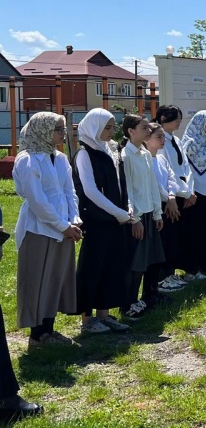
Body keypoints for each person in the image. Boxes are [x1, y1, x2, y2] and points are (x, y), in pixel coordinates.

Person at [13, 112, 81, 346]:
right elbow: (37, 200)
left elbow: (69, 191)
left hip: (64, 227)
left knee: (55, 278)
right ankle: (37, 334)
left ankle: (49, 329)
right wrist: (63, 226)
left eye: (63, 129)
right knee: (36, 280)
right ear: (43, 131)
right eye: (58, 129)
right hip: (38, 229)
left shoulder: (60, 158)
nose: (63, 134)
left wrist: (74, 220)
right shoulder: (28, 160)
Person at [73, 109, 132, 334]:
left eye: (112, 126)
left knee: (111, 265)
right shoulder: (85, 153)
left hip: (115, 217)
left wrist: (126, 207)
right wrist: (117, 212)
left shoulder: (110, 149)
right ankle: (87, 319)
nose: (111, 131)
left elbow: (119, 182)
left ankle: (104, 314)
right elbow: (90, 190)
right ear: (93, 127)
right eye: (107, 127)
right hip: (96, 219)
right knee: (93, 266)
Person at [119, 115, 166, 317]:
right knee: (135, 263)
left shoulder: (145, 154)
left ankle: (144, 297)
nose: (148, 131)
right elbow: (128, 190)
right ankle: (127, 303)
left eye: (148, 127)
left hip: (148, 212)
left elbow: (152, 185)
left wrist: (157, 213)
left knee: (150, 260)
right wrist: (135, 219)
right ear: (131, 131)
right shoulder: (126, 156)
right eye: (144, 127)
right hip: (137, 216)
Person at [154, 105, 198, 288]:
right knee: (169, 237)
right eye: (175, 118)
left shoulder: (176, 140)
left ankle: (175, 271)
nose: (179, 121)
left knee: (181, 235)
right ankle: (165, 275)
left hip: (184, 193)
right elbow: (167, 173)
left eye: (180, 117)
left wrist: (190, 191)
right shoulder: (160, 142)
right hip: (170, 195)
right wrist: (184, 192)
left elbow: (185, 167)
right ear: (164, 118)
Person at [181, 111, 206, 280]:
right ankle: (192, 269)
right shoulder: (190, 143)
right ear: (200, 123)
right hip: (196, 193)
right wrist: (189, 192)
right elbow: (185, 170)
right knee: (195, 232)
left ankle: (205, 265)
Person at [146, 123, 185, 298]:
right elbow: (154, 184)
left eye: (163, 136)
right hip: (158, 205)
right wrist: (168, 199)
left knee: (171, 240)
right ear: (147, 139)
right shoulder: (146, 159)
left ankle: (169, 274)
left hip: (169, 203)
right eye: (158, 137)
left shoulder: (161, 158)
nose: (163, 140)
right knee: (161, 243)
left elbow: (171, 178)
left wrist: (172, 196)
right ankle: (161, 279)